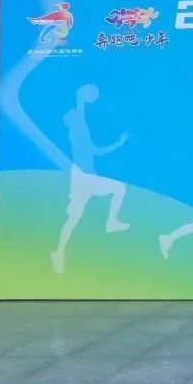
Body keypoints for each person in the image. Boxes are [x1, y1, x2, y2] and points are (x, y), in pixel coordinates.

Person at [51, 84, 129, 274]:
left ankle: (59, 251)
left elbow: (99, 151)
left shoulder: (82, 135)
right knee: (118, 189)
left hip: (86, 179)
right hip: (83, 179)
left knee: (75, 218)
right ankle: (111, 223)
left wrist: (119, 143)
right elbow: (80, 110)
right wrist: (82, 95)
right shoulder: (76, 133)